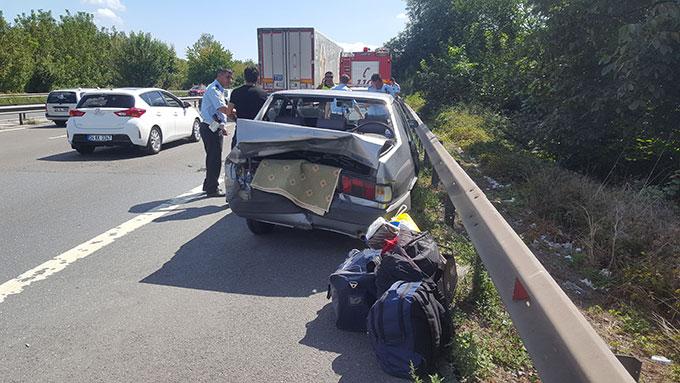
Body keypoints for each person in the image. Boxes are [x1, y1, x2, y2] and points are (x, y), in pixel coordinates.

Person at [199, 68, 232, 197]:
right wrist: (236, 112)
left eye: (230, 77)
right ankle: (212, 189)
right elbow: (222, 109)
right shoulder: (214, 90)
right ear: (219, 76)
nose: (230, 80)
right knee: (215, 159)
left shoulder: (218, 89)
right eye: (227, 77)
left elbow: (216, 112)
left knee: (212, 157)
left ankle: (208, 184)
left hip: (212, 126)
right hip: (210, 127)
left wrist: (222, 126)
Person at [227, 65, 268, 148]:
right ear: (257, 78)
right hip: (257, 129)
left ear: (244, 77)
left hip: (241, 128)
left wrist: (236, 119)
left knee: (236, 155)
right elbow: (266, 113)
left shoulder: (236, 92)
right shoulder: (262, 93)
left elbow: (228, 112)